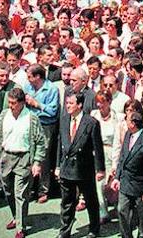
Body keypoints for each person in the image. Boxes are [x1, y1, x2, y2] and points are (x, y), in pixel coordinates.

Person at [0, 87, 46, 238]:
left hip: (24, 158)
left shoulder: (31, 118)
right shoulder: (4, 115)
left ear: (22, 103)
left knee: (20, 193)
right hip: (6, 157)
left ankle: (20, 228)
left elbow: (41, 142)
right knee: (8, 190)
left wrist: (36, 162)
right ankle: (16, 216)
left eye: (14, 103)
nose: (10, 105)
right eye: (9, 102)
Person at [57, 88, 105, 238]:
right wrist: (58, 165)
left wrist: (100, 169)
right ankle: (64, 231)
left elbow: (98, 148)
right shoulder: (64, 120)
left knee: (91, 200)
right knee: (67, 202)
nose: (67, 106)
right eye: (66, 103)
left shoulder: (91, 123)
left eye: (71, 103)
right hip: (66, 168)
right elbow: (61, 143)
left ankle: (94, 229)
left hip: (84, 168)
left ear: (80, 105)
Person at [113, 110, 143, 238]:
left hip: (140, 186)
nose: (124, 122)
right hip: (126, 183)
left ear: (133, 123)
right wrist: (117, 178)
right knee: (122, 210)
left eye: (127, 119)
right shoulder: (128, 134)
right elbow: (123, 157)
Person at [24, 63, 60, 203]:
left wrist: (36, 104)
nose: (27, 79)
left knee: (43, 158)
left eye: (29, 76)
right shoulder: (27, 87)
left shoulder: (51, 89)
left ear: (38, 76)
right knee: (29, 156)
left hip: (45, 126)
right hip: (30, 125)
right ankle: (29, 188)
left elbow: (52, 111)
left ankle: (43, 190)